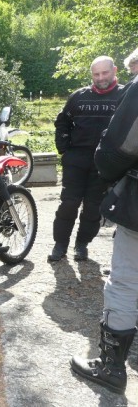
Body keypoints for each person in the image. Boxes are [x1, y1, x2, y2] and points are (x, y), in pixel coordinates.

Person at [69, 74, 138, 395]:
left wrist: (109, 174)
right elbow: (63, 122)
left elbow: (116, 150)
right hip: (76, 163)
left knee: (126, 281)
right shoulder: (79, 97)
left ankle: (111, 368)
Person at [48, 56, 125, 262]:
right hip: (77, 159)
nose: (100, 78)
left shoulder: (125, 96)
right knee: (68, 203)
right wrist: (64, 149)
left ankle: (82, 245)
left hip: (105, 162)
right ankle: (60, 245)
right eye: (96, 74)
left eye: (105, 73)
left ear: (114, 70)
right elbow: (62, 122)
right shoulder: (79, 97)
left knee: (93, 207)